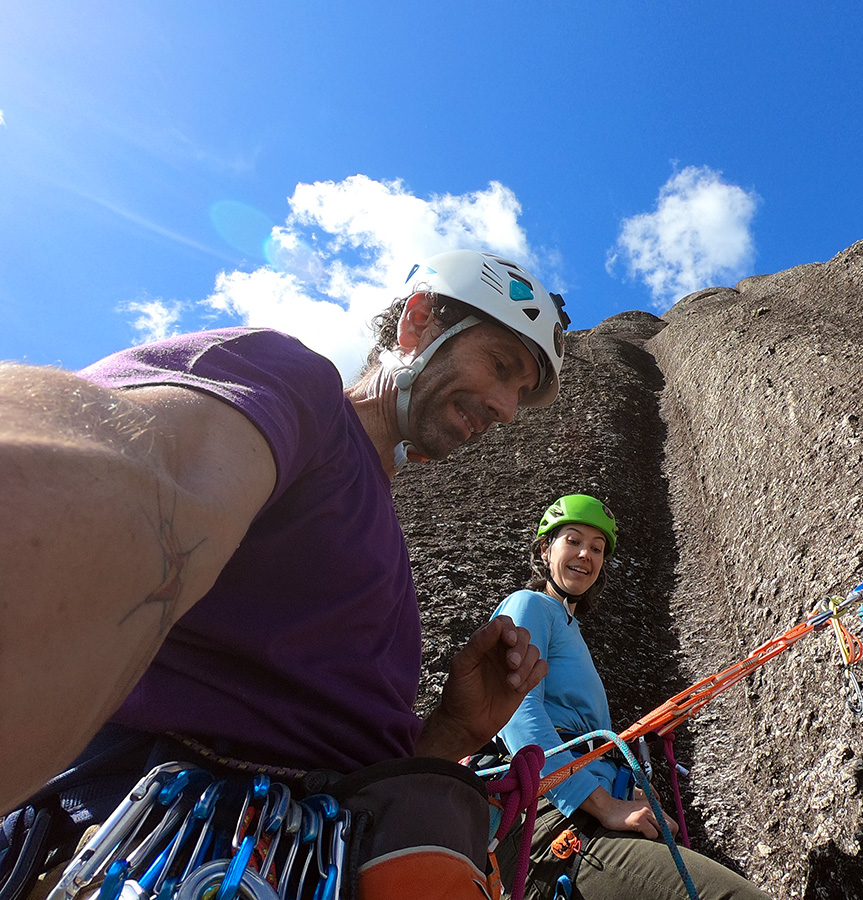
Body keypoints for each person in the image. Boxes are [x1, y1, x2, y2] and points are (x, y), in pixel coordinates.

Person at [0, 249, 566, 817]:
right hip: (172, 836)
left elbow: (340, 766)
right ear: (418, 322)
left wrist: (451, 731)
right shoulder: (299, 392)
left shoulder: (382, 536)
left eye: (520, 391)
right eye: (499, 365)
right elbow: (110, 476)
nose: (507, 409)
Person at [492, 495, 770, 900]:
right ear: (544, 549)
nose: (585, 554)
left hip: (569, 815)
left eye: (597, 548)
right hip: (549, 820)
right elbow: (518, 712)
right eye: (573, 540)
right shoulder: (529, 604)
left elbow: (580, 740)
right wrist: (604, 806)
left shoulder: (569, 629)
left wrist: (631, 792)